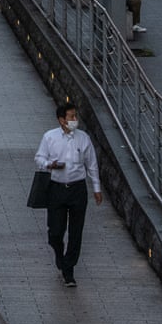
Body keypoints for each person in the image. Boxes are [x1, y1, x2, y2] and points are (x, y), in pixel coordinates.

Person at [34, 103, 102, 287]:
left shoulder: (83, 139)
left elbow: (92, 164)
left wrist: (96, 188)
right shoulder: (50, 137)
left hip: (77, 189)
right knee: (55, 231)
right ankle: (58, 252)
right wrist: (50, 164)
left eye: (75, 116)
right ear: (61, 120)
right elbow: (39, 158)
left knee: (76, 231)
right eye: (71, 117)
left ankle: (68, 269)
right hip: (56, 188)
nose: (74, 120)